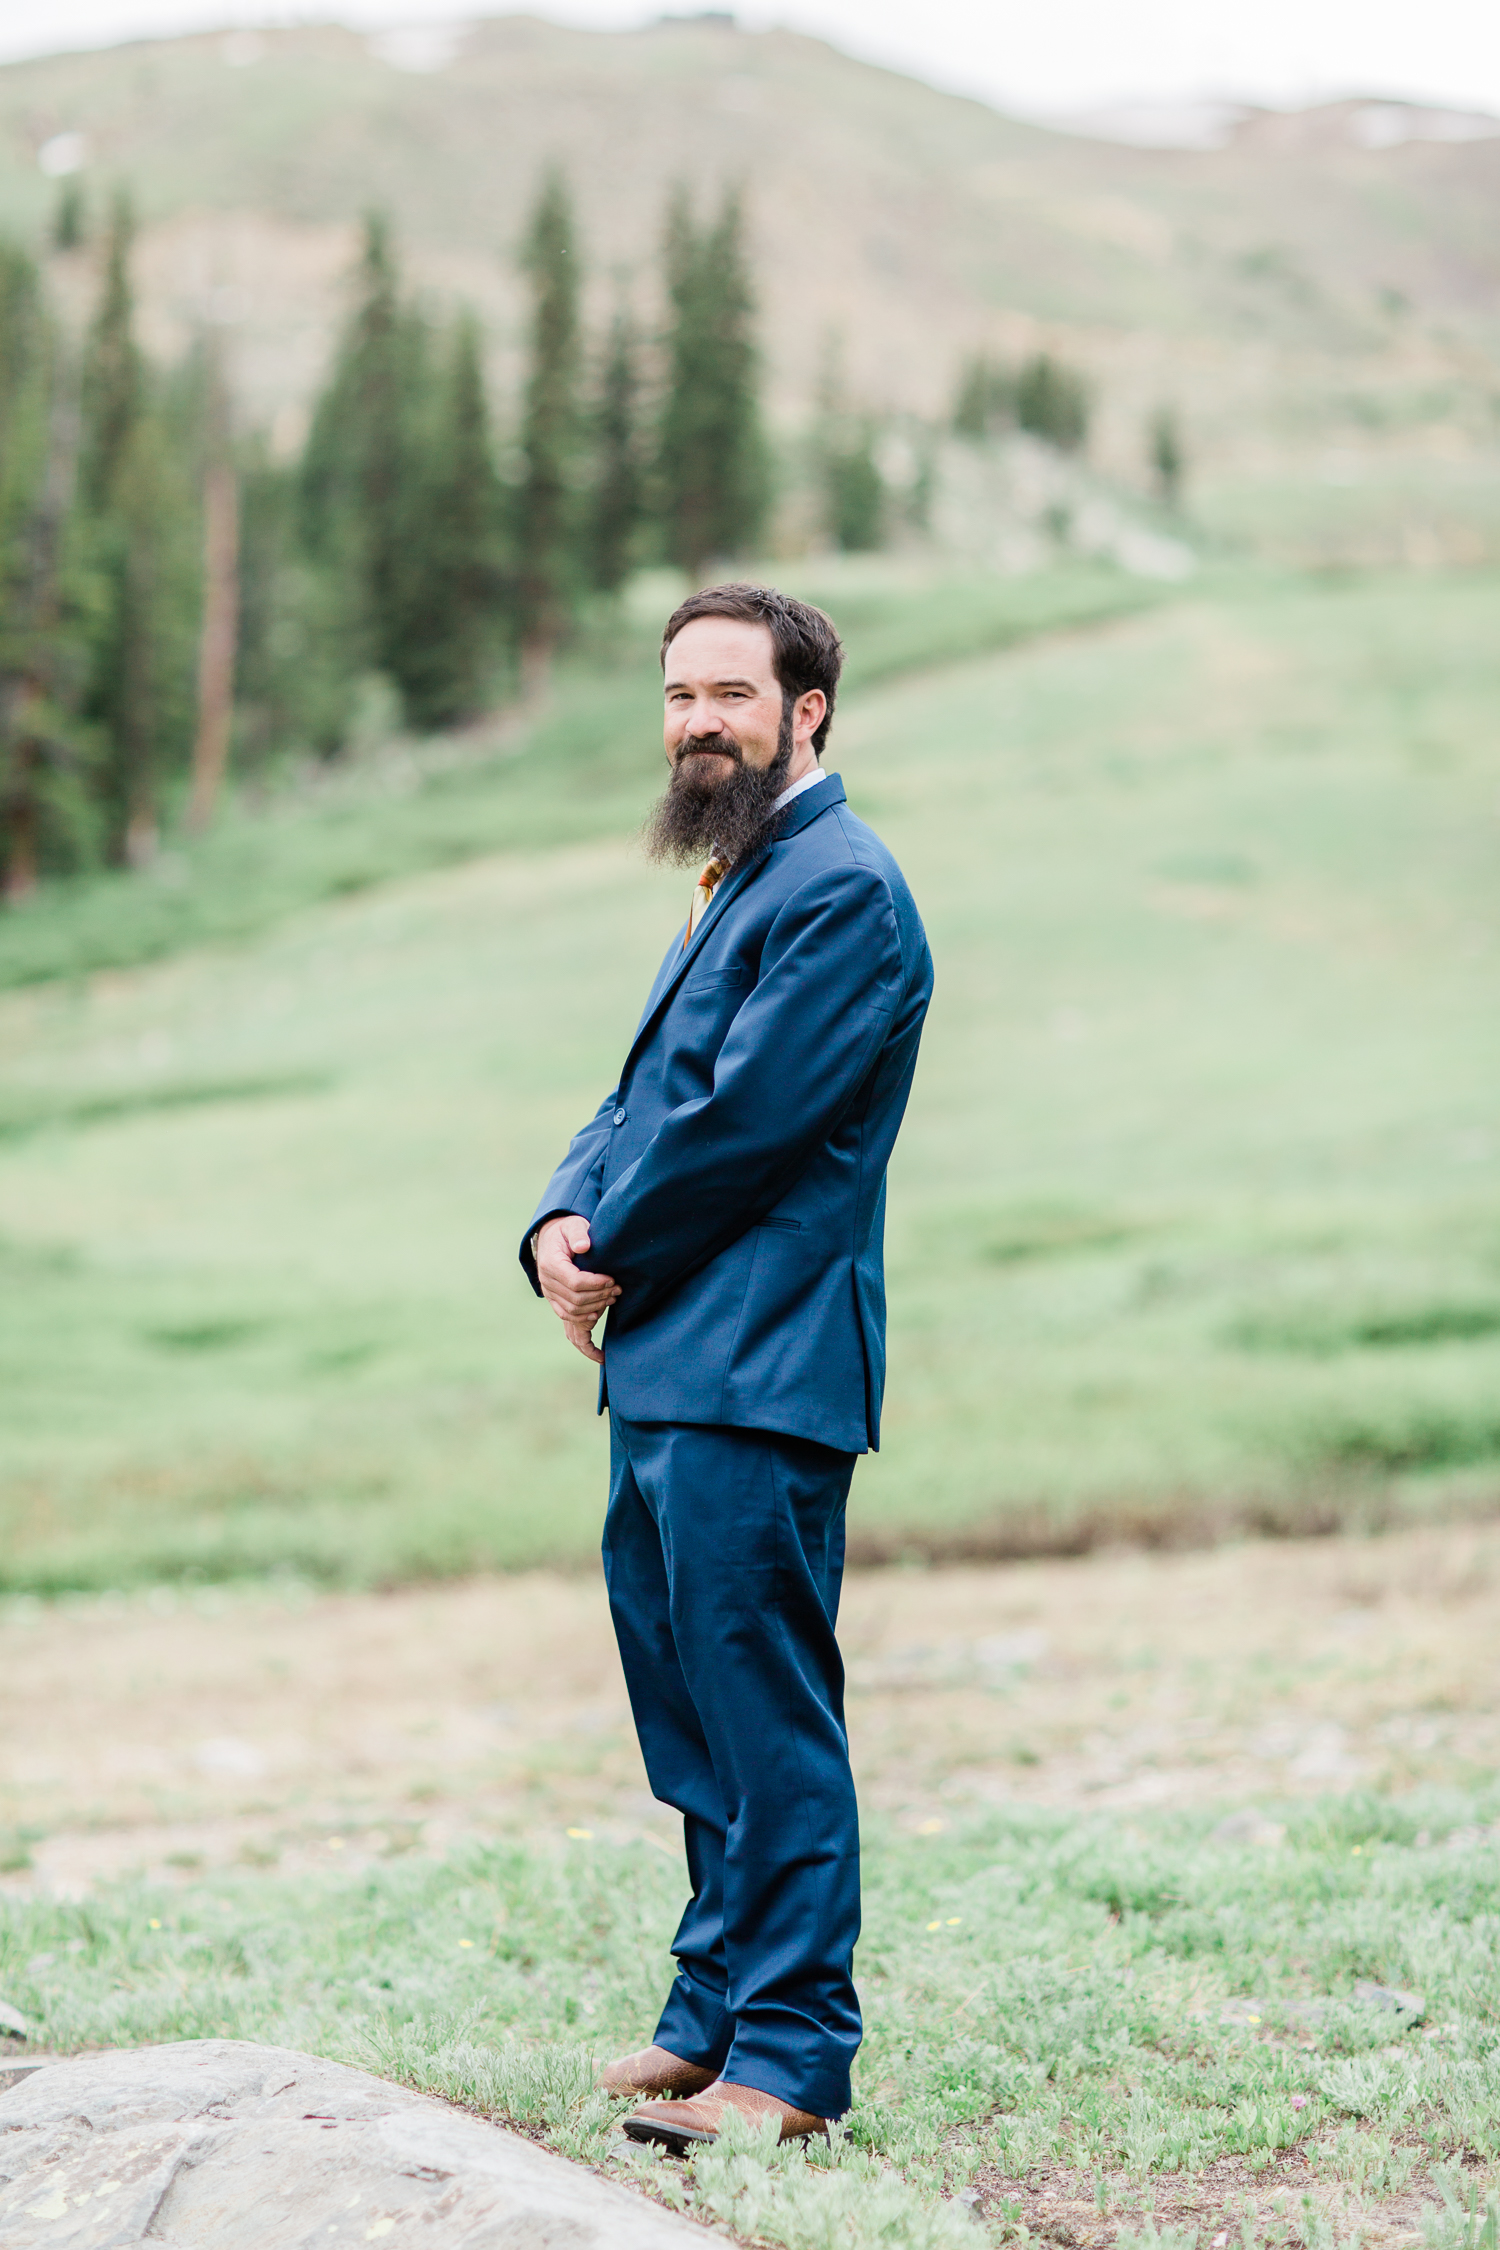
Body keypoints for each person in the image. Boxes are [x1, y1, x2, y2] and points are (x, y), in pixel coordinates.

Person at [520, 582, 933, 2154]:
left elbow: (739, 1128)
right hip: (671, 1370)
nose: (698, 721)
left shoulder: (843, 890)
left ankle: (793, 2055)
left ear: (806, 710)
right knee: (686, 1705)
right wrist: (557, 1218)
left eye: (731, 696)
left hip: (761, 1371)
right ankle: (708, 2008)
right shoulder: (737, 873)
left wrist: (609, 1239)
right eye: (680, 694)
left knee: (767, 1711)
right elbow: (638, 1094)